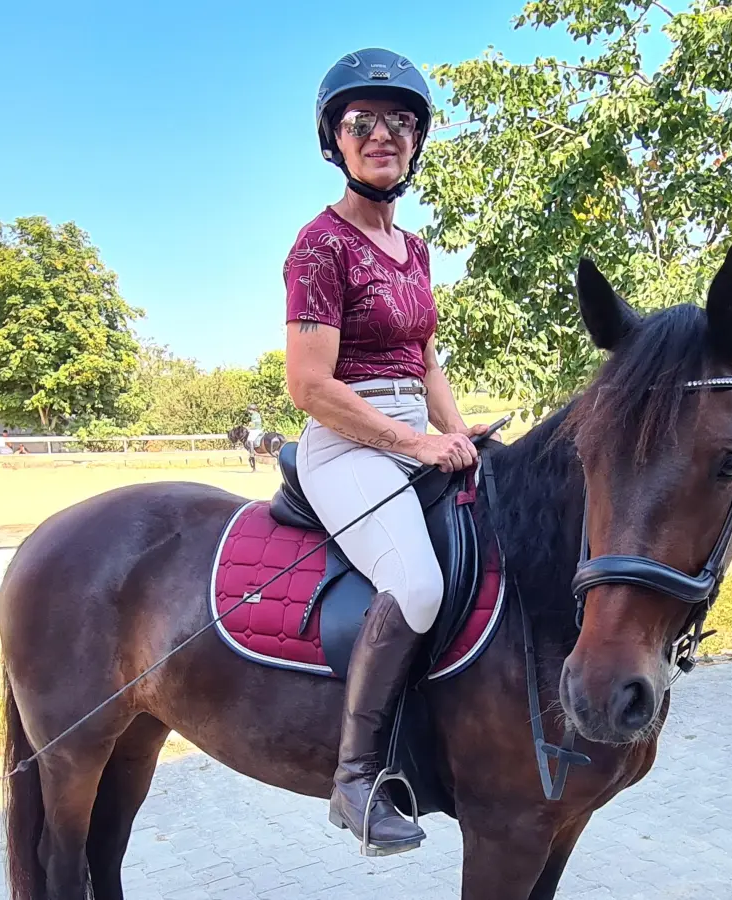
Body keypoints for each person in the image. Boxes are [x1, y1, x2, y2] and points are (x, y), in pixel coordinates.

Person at [283, 47, 494, 856]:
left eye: (400, 122)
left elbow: (426, 359)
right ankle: (356, 777)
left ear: (417, 140)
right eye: (361, 122)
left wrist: (457, 430)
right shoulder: (318, 247)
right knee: (415, 581)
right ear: (334, 139)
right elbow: (309, 384)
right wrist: (414, 442)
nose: (383, 135)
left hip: (413, 432)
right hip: (346, 441)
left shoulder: (415, 250)